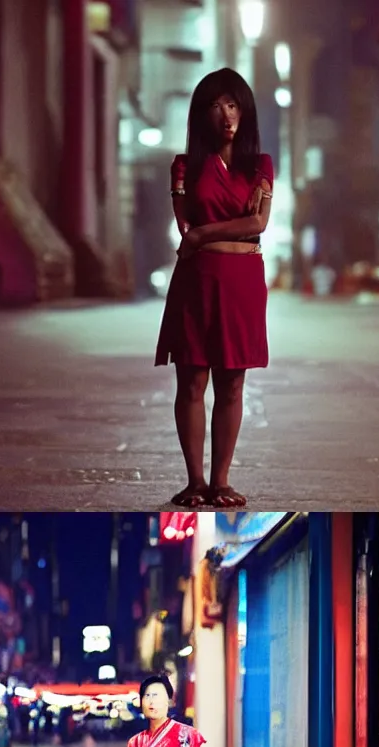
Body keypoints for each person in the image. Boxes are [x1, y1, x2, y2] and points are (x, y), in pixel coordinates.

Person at [156, 67, 274, 510]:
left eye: (233, 105)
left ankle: (221, 481)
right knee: (191, 380)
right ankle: (195, 482)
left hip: (243, 280)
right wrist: (201, 235)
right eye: (215, 106)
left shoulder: (259, 164)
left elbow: (257, 224)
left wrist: (205, 235)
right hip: (197, 281)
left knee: (232, 383)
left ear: (244, 112)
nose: (225, 115)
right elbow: (185, 224)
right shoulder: (185, 166)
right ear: (201, 115)